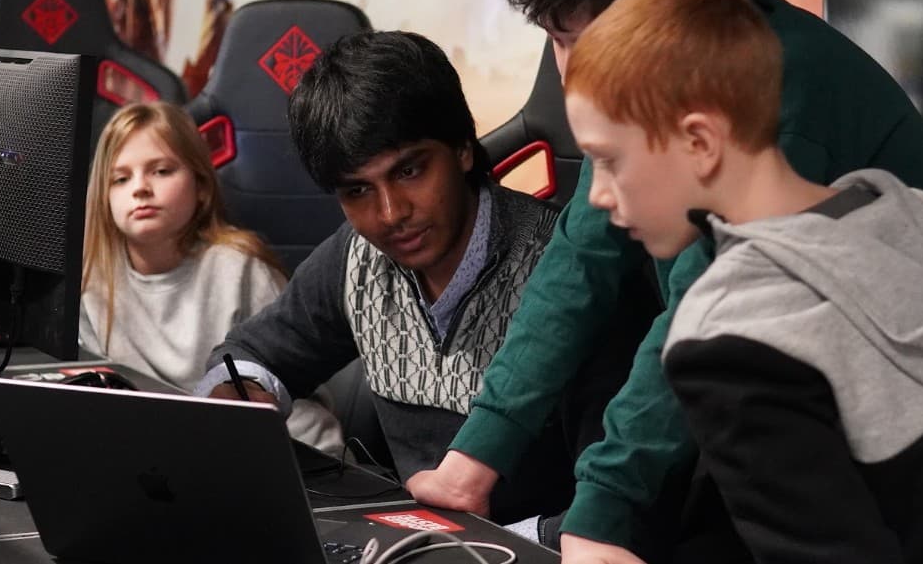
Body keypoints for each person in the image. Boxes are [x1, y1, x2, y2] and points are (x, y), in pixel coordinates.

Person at [407, 0, 923, 561]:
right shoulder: (685, 92)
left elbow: (701, 320)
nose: (563, 69)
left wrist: (600, 517)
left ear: (664, 21)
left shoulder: (776, 111)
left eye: (569, 38)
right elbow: (579, 262)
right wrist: (475, 458)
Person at [563, 0, 923, 563]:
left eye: (608, 161)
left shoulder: (727, 336)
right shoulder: (904, 211)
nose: (598, 195)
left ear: (700, 142)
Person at [195, 30, 622, 546]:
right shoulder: (355, 255)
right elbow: (251, 354)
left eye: (410, 170)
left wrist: (493, 545)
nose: (391, 214)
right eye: (357, 190)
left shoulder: (568, 270)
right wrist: (241, 396)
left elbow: (618, 502)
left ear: (463, 148)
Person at [79, 101, 344, 456]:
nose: (140, 188)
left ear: (201, 186)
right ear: (104, 198)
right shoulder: (92, 284)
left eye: (161, 171)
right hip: (160, 458)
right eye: (121, 178)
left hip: (282, 451)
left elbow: (294, 395)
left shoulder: (240, 269)